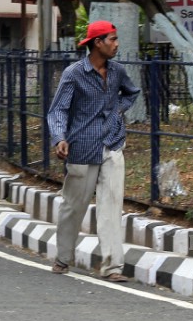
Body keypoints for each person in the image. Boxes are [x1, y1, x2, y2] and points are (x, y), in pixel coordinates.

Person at [46, 20, 141, 282]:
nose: (117, 44)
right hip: (82, 147)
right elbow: (58, 110)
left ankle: (112, 267)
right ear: (97, 43)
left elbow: (132, 93)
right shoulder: (74, 73)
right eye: (112, 39)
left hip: (112, 144)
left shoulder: (118, 72)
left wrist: (116, 111)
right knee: (73, 206)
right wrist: (59, 138)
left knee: (111, 207)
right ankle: (63, 258)